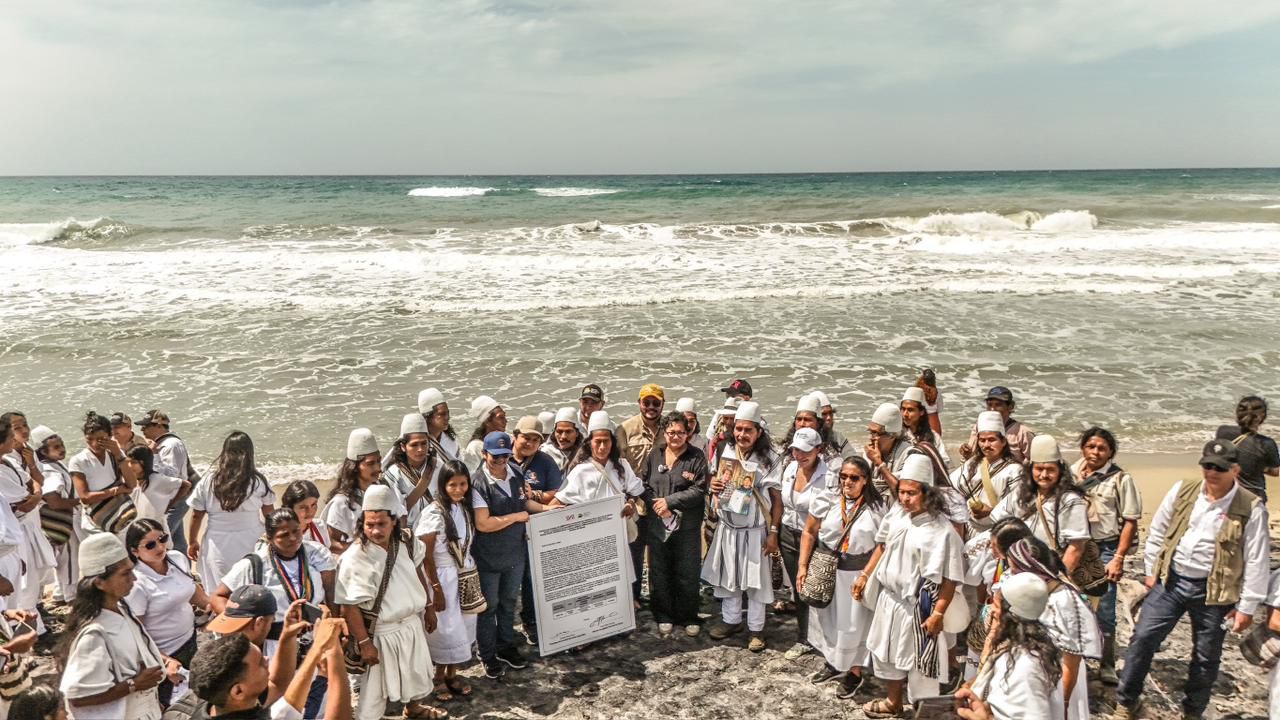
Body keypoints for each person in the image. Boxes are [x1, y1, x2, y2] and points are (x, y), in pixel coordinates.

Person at [1114, 439, 1270, 720]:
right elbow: (1159, 531)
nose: (1212, 472)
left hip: (1214, 593)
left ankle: (1193, 712)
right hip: (1170, 583)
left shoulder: (1251, 507)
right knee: (1143, 638)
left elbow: (1257, 559)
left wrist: (1247, 607)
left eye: (1220, 468)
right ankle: (1127, 702)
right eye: (1208, 465)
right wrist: (1152, 572)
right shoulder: (1183, 490)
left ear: (1235, 470)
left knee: (1206, 657)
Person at [854, 454, 965, 718]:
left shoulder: (942, 532)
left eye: (911, 493)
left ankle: (922, 711)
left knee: (921, 666)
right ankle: (893, 702)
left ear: (927, 494)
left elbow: (950, 578)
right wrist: (864, 575)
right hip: (888, 599)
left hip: (919, 608)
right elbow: (882, 546)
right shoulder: (897, 515)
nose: (905, 498)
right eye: (902, 492)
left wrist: (938, 613)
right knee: (886, 655)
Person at [211, 508, 335, 719]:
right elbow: (218, 597)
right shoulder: (254, 564)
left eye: (296, 531)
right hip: (276, 645)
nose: (293, 538)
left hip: (312, 639)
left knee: (319, 697)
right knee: (286, 704)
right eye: (283, 535)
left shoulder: (314, 554)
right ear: (269, 538)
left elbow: (329, 590)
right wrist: (247, 624)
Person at [336, 485, 446, 720]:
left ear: (394, 522)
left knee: (417, 674)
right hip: (381, 632)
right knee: (374, 694)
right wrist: (365, 643)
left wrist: (428, 608)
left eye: (381, 524)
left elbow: (418, 572)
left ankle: (414, 709)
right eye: (369, 524)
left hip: (411, 624)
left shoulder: (406, 542)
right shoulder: (354, 558)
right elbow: (349, 606)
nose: (375, 530)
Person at [798, 456, 886, 699]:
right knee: (827, 618)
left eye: (854, 478)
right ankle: (833, 662)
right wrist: (802, 566)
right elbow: (809, 531)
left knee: (852, 624)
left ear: (865, 480)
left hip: (857, 573)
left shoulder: (876, 508)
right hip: (827, 570)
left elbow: (882, 544)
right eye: (843, 476)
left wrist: (867, 574)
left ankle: (854, 672)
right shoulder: (827, 500)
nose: (847, 482)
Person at [58, 533, 167, 720]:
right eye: (125, 574)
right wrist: (134, 685)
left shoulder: (122, 609)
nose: (134, 579)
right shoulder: (94, 634)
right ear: (100, 582)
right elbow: (77, 696)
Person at [702, 401, 783, 653]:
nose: (742, 435)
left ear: (758, 432)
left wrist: (773, 533)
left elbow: (778, 501)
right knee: (729, 577)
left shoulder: (770, 458)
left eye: (748, 430)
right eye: (738, 429)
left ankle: (756, 629)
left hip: (755, 530)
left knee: (756, 581)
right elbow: (716, 482)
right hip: (728, 526)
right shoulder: (725, 450)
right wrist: (713, 486)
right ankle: (731, 621)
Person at [470, 431, 551, 679]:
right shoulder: (478, 484)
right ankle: (487, 653)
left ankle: (506, 646)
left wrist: (550, 510)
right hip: (489, 557)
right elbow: (483, 523)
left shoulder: (515, 474)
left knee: (508, 603)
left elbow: (525, 504)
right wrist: (516, 518)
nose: (500, 462)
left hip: (515, 553)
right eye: (495, 457)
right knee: (489, 606)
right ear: (484, 455)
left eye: (505, 456)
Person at [1070, 426, 1142, 684]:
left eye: (1101, 448)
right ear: (1083, 448)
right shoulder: (1070, 474)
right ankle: (1075, 659)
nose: (1095, 452)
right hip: (1075, 546)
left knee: (1106, 608)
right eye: (1091, 446)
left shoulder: (1121, 479)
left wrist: (1118, 558)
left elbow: (1131, 521)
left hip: (1105, 547)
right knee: (1074, 603)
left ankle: (1107, 664)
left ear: (1111, 452)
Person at [1001, 536, 1101, 720]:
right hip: (1031, 673)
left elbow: (1071, 662)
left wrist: (1063, 704)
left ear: (1034, 570)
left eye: (1015, 570)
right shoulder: (1026, 591)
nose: (1010, 574)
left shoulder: (1064, 603)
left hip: (1057, 680)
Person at [553, 411, 647, 604]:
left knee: (618, 579)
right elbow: (559, 502)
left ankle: (619, 620)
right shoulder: (580, 471)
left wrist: (629, 503)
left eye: (606, 441)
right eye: (598, 441)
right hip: (589, 539)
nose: (602, 446)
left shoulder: (621, 465)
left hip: (616, 535)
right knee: (592, 582)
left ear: (613, 442)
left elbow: (636, 490)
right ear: (590, 443)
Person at [188, 619, 351, 720]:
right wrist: (332, 651)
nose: (266, 660)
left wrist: (287, 636)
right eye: (259, 663)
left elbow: (277, 685)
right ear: (238, 691)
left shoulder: (215, 700)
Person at [125, 518, 211, 708]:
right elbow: (134, 633)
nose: (159, 547)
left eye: (162, 539)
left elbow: (191, 589)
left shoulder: (177, 559)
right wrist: (164, 662)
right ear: (134, 551)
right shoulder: (136, 583)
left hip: (190, 641)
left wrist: (213, 606)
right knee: (173, 708)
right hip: (163, 655)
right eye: (150, 544)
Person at [640, 411, 709, 638]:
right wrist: (658, 506)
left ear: (688, 433)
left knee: (687, 570)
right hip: (658, 524)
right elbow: (644, 485)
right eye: (671, 432)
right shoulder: (654, 455)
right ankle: (664, 615)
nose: (676, 437)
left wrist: (669, 502)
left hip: (687, 525)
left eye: (681, 432)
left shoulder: (696, 457)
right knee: (659, 569)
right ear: (664, 432)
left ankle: (688, 616)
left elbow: (699, 490)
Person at [414, 460, 478, 702]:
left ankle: (452, 674)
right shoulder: (433, 513)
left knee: (463, 624)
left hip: (462, 573)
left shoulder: (462, 508)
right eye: (453, 485)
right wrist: (436, 589)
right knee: (444, 628)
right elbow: (425, 556)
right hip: (441, 576)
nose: (459, 489)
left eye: (463, 484)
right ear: (443, 485)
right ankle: (438, 678)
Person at [188, 431, 276, 590]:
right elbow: (270, 515)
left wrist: (192, 541)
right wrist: (274, 538)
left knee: (220, 588)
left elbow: (196, 515)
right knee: (252, 584)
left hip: (218, 541)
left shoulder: (209, 481)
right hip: (252, 539)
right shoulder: (257, 481)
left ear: (225, 452)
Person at [989, 435, 1089, 573]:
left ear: (1060, 470)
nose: (1044, 475)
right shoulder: (1019, 493)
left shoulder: (1070, 500)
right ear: (1031, 469)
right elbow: (999, 522)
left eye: (1050, 469)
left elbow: (1076, 546)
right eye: (1039, 469)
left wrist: (1059, 579)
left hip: (1053, 567)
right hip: (1020, 566)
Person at [967, 572, 1060, 720]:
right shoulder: (1012, 651)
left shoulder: (1026, 666)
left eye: (996, 608)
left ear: (1009, 616)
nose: (991, 613)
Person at [776, 426, 832, 660]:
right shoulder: (790, 467)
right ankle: (803, 637)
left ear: (818, 450)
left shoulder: (828, 475)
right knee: (799, 589)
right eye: (795, 450)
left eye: (805, 451)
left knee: (816, 587)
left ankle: (824, 638)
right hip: (788, 534)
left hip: (816, 537)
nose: (799, 456)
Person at [509, 415, 563, 643]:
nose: (530, 443)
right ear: (515, 436)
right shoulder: (501, 458)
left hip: (536, 529)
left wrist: (537, 495)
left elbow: (557, 492)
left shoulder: (545, 461)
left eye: (535, 440)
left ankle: (530, 621)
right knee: (509, 581)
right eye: (525, 438)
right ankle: (504, 627)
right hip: (507, 529)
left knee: (532, 579)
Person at [0, 414, 55, 632]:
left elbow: (33, 485)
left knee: (31, 575)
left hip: (28, 528)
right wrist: (35, 495)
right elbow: (23, 501)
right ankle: (29, 631)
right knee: (20, 586)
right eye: (12, 433)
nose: (16, 436)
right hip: (14, 532)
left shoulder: (13, 461)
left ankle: (29, 627)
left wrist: (36, 492)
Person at [321, 428, 400, 554]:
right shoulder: (341, 502)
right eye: (370, 464)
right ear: (355, 467)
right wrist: (363, 550)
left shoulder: (384, 491)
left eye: (379, 461)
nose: (378, 468)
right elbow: (331, 543)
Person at [951, 411, 1026, 536]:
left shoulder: (1015, 471)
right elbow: (952, 487)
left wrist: (991, 512)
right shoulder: (973, 463)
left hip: (998, 532)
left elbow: (1019, 509)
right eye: (982, 440)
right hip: (968, 529)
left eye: (991, 440)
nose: (986, 445)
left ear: (1003, 442)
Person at [69, 411, 141, 540]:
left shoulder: (114, 455)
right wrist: (117, 490)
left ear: (110, 436)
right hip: (95, 523)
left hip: (121, 517)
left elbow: (132, 484)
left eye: (100, 439)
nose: (94, 444)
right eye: (89, 439)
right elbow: (85, 497)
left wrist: (118, 454)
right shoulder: (78, 461)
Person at [138, 410, 199, 554]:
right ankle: (185, 572)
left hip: (179, 496)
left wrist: (154, 454)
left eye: (146, 426)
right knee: (176, 540)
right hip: (171, 496)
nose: (142, 429)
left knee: (161, 537)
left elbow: (173, 475)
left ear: (160, 426)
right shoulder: (161, 444)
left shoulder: (171, 445)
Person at [34, 425, 83, 604]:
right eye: (56, 447)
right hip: (62, 520)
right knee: (69, 559)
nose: (62, 449)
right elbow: (53, 499)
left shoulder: (49, 466)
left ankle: (59, 593)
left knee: (56, 560)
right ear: (43, 452)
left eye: (61, 444)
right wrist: (78, 502)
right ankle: (70, 595)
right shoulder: (51, 471)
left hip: (50, 521)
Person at [1214, 395, 1278, 501]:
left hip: (1225, 491)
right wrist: (1259, 466)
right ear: (1261, 417)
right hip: (1252, 495)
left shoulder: (1222, 431)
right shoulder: (1267, 443)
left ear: (1237, 414)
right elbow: (1275, 472)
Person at [383, 413, 438, 528]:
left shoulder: (439, 466)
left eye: (424, 443)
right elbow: (396, 514)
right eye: (414, 445)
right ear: (403, 446)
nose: (420, 449)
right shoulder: (393, 474)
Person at [959, 387, 1034, 464]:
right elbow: (972, 455)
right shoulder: (980, 427)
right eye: (989, 405)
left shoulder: (1022, 432)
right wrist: (966, 453)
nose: (992, 409)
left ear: (1010, 406)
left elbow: (1032, 462)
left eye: (998, 405)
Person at [123, 444, 190, 525]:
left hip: (156, 526)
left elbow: (186, 485)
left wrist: (170, 505)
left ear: (143, 462)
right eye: (128, 462)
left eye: (133, 462)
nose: (129, 466)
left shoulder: (157, 479)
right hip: (139, 524)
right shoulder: (132, 480)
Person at [863, 403, 915, 498]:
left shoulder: (909, 454)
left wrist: (879, 463)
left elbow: (902, 494)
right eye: (870, 432)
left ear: (892, 435)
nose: (870, 437)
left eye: (875, 433)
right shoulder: (870, 453)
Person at [901, 386, 951, 476]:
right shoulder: (897, 434)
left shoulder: (933, 437)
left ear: (921, 412)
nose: (905, 414)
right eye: (903, 409)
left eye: (910, 410)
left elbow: (945, 462)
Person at [617, 384, 665, 473]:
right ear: (639, 402)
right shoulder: (624, 429)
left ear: (663, 403)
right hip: (634, 485)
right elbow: (617, 465)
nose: (651, 407)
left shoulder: (670, 428)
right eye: (646, 403)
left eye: (656, 403)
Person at [462, 396, 507, 473]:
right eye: (501, 417)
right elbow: (471, 476)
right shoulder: (476, 447)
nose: (505, 421)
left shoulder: (504, 442)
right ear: (487, 422)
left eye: (504, 416)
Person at [281, 480, 329, 549]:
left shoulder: (320, 527)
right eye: (303, 507)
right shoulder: (281, 535)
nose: (310, 511)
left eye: (313, 504)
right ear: (290, 508)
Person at [810, 391, 854, 459]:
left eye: (830, 413)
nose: (829, 418)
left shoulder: (837, 437)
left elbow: (852, 458)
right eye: (824, 414)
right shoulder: (801, 439)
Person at [543, 407, 583, 474]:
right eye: (559, 431)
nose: (563, 437)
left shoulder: (585, 454)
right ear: (554, 432)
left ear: (577, 433)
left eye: (568, 431)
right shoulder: (545, 453)